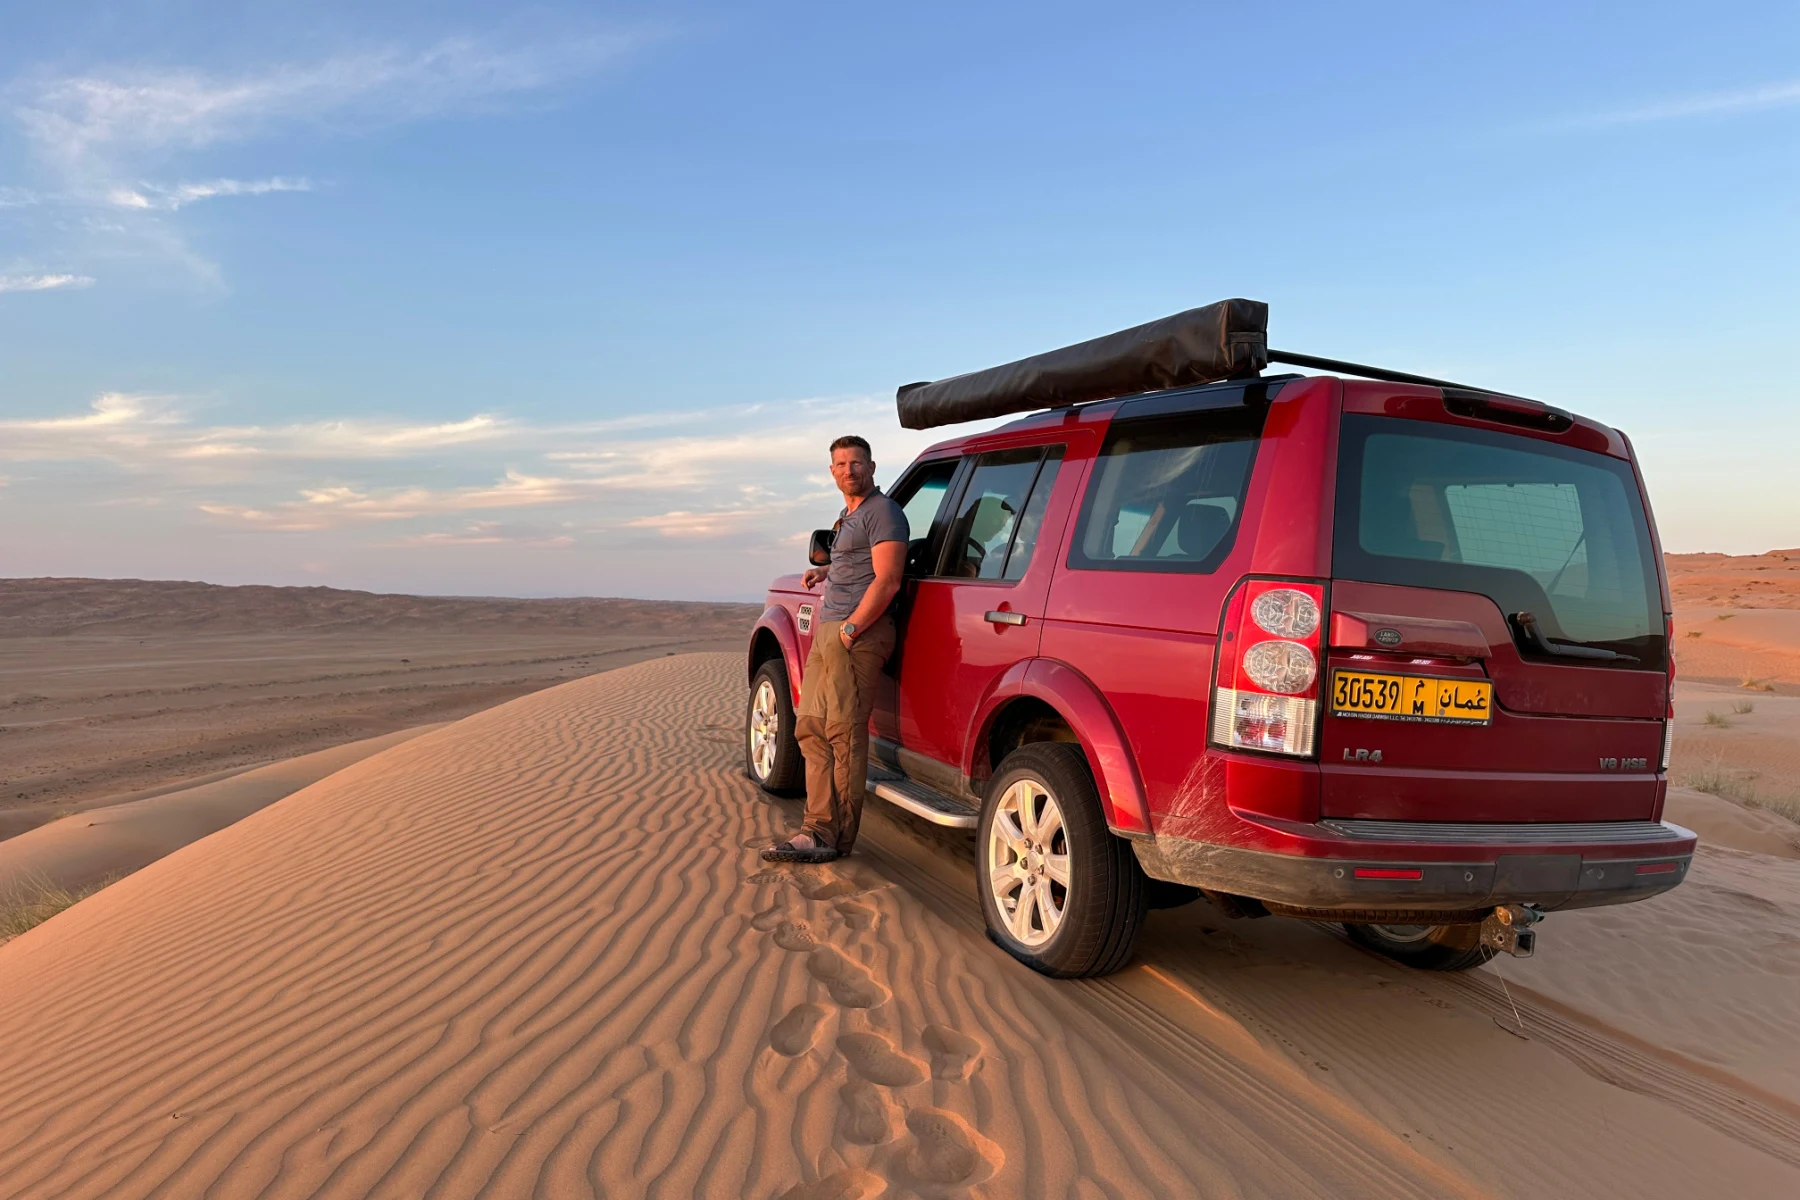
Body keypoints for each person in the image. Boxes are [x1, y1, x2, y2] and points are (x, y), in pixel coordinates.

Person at [763, 435, 908, 864]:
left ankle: (834, 837)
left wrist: (850, 629)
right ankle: (815, 827)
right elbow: (859, 564)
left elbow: (887, 579)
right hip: (831, 633)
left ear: (872, 467)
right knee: (810, 728)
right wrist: (824, 571)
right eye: (841, 464)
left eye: (857, 463)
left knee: (842, 734)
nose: (849, 470)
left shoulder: (884, 513)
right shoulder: (849, 516)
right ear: (832, 471)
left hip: (856, 636)